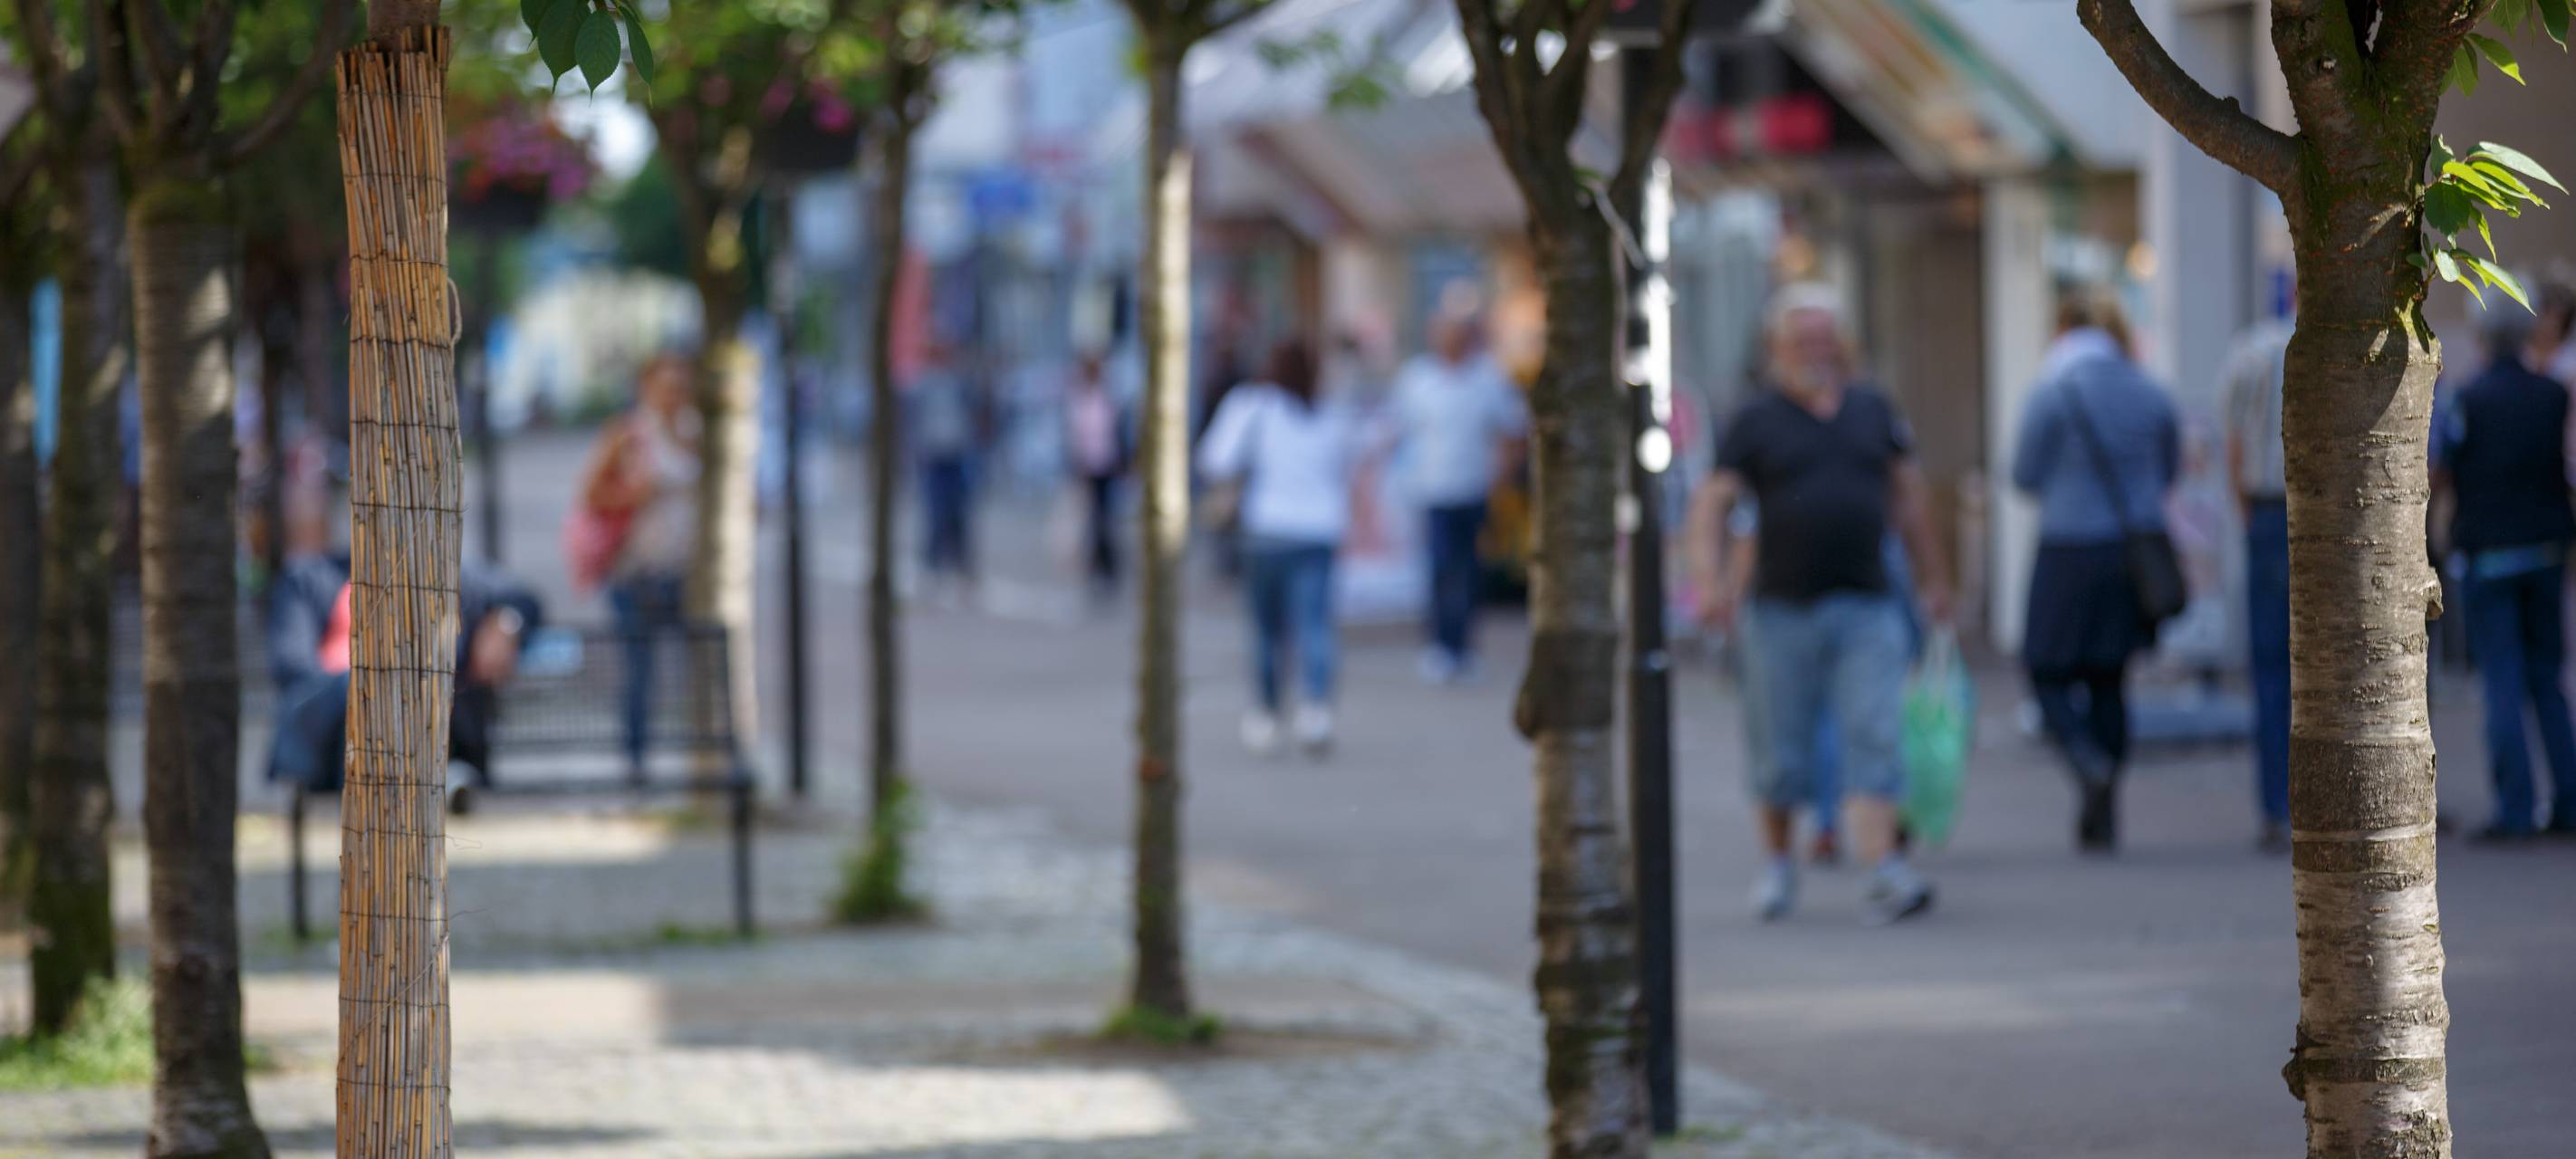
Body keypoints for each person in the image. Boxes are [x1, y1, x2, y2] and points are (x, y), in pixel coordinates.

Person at [1688, 283, 1952, 924]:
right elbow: (1714, 501)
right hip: (1780, 608)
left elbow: (1909, 494)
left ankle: (1882, 872)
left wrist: (1934, 576)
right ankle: (1779, 863)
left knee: (1874, 732)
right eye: (1801, 340)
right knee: (1780, 750)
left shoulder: (1872, 409)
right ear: (1776, 348)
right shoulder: (1756, 418)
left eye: (1824, 339)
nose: (1815, 351)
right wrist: (1709, 579)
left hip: (1867, 602)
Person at [2011, 300, 2179, 854]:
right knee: (2110, 678)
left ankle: (2087, 761)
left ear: (2064, 329)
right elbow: (2168, 470)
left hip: (2066, 548)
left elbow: (2023, 474)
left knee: (2044, 669)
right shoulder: (2149, 391)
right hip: (2130, 553)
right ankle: (2104, 812)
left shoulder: (2053, 392)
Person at [2432, 284, 2576, 840]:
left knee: (2501, 681)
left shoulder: (2468, 400)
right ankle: (2567, 801)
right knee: (2548, 679)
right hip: (2547, 550)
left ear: (2482, 336)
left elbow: (2442, 472)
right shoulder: (2552, 395)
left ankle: (2516, 809)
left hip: (2489, 557)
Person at [1197, 340, 1365, 756]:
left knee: (1268, 630)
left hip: (1267, 530)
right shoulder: (1330, 413)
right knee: (1315, 623)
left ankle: (1268, 710)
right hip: (1318, 531)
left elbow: (1215, 459)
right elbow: (1350, 463)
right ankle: (1315, 709)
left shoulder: (1253, 406)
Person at [266, 559, 543, 800]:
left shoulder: (448, 572)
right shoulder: (310, 578)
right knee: (370, 685)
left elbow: (523, 599)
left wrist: (505, 623)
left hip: (424, 715)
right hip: (330, 725)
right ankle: (411, 782)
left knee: (404, 688)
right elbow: (293, 667)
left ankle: (414, 780)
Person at [577, 353, 699, 781]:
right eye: (665, 387)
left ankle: (701, 757)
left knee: (700, 666)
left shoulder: (696, 433)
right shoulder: (629, 433)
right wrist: (636, 496)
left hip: (686, 571)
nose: (673, 396)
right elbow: (590, 495)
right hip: (638, 573)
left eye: (680, 387)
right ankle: (635, 760)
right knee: (639, 671)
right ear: (647, 388)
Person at [1388, 311, 1528, 683]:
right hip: (1431, 489)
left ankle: (1462, 645)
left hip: (1473, 488)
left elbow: (1512, 430)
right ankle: (1440, 643)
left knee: (1467, 569)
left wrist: (1502, 476)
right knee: (1438, 566)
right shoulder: (1417, 379)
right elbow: (1397, 431)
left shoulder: (1487, 378)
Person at [2222, 311, 2297, 854]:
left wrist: (2247, 514)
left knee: (2271, 668)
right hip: (2333, 514)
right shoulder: (2352, 343)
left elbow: (2233, 442)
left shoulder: (2256, 350)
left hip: (2270, 512)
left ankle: (2277, 807)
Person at [912, 343, 981, 596]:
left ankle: (962, 569)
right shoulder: (924, 387)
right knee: (935, 515)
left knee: (958, 514)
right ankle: (933, 568)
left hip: (956, 457)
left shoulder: (959, 384)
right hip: (935, 459)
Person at [1064, 352, 1128, 598]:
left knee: (1106, 519)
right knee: (1094, 520)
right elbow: (1075, 436)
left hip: (1107, 467)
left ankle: (1108, 567)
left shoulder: (1107, 398)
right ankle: (1097, 567)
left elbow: (1116, 432)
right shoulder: (1079, 399)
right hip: (1089, 468)